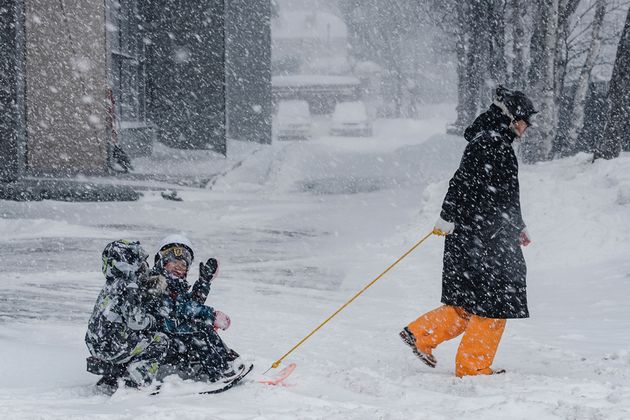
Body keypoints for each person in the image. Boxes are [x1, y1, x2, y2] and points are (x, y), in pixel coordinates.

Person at [400, 86, 537, 377]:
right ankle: (473, 367)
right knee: (496, 301)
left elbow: (503, 195)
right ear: (511, 116)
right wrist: (448, 216)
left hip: (479, 235)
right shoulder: (491, 143)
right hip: (484, 238)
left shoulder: (492, 141)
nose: (528, 125)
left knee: (469, 303)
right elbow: (461, 183)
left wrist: (518, 225)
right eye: (525, 118)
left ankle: (422, 334)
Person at [144, 234, 248, 383]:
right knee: (200, 331)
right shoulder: (155, 283)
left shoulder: (173, 285)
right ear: (161, 262)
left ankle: (224, 360)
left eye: (183, 265)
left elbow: (188, 304)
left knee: (200, 326)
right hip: (156, 340)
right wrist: (211, 315)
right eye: (173, 262)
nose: (178, 268)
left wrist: (204, 283)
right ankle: (221, 370)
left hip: (167, 336)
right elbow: (178, 310)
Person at [85, 240, 170, 394]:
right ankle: (138, 380)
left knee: (132, 338)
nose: (143, 265)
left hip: (97, 344)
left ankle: (113, 376)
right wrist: (153, 321)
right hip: (113, 347)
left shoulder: (112, 284)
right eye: (140, 261)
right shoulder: (129, 286)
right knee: (160, 340)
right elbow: (135, 321)